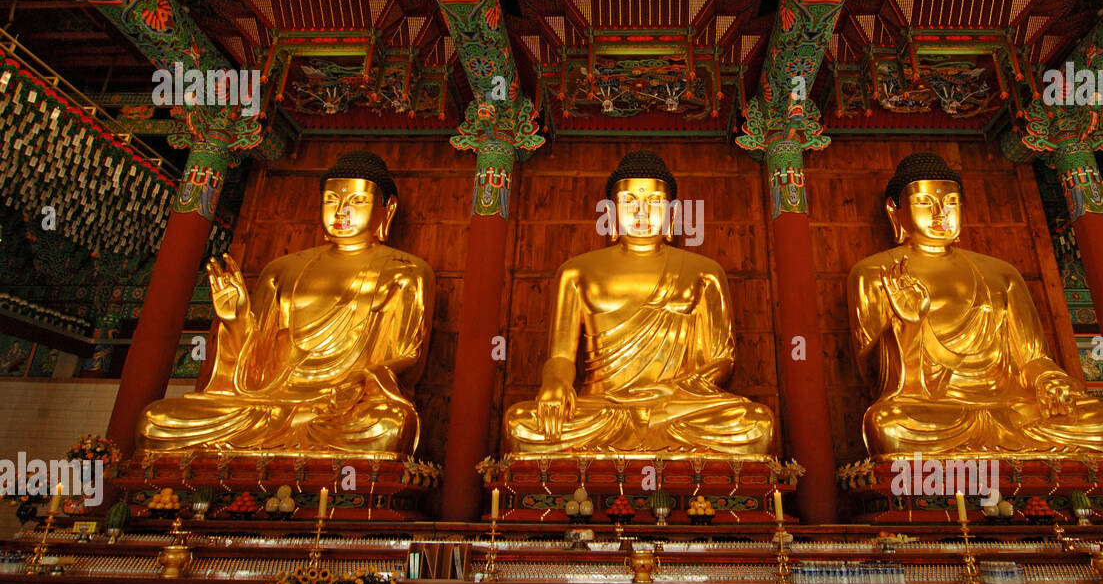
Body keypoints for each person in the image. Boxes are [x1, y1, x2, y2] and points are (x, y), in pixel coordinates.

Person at [848, 152, 1103, 458]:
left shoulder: (1001, 273)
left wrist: (1051, 380)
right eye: (925, 202)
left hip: (1013, 408)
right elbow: (874, 381)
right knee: (889, 424)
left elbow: (1033, 358)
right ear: (893, 211)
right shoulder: (876, 273)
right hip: (936, 411)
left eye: (951, 202)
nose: (941, 213)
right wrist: (907, 324)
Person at [137, 151, 433, 457]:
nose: (341, 211)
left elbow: (409, 358)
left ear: (388, 208)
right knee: (157, 420)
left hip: (344, 405)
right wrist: (236, 319)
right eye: (331, 200)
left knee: (387, 426)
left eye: (357, 201)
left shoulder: (406, 271)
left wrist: (360, 379)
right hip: (269, 400)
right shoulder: (282, 269)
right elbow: (253, 361)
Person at [505, 150, 773, 456]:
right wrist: (554, 385)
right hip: (604, 407)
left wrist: (672, 390)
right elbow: (561, 357)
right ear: (610, 214)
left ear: (672, 215)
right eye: (629, 202)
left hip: (676, 407)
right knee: (522, 422)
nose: (641, 212)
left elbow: (722, 360)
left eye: (654, 203)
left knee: (756, 422)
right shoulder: (575, 271)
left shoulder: (704, 271)